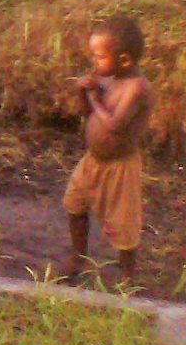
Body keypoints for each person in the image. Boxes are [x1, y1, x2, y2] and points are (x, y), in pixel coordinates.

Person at [62, 15, 153, 284]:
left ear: (124, 59)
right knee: (74, 204)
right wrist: (82, 92)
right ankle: (79, 255)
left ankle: (127, 272)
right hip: (93, 160)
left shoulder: (137, 88)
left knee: (123, 224)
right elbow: (84, 112)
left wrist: (93, 96)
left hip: (120, 167)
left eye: (99, 57)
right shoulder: (108, 78)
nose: (94, 62)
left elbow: (114, 125)